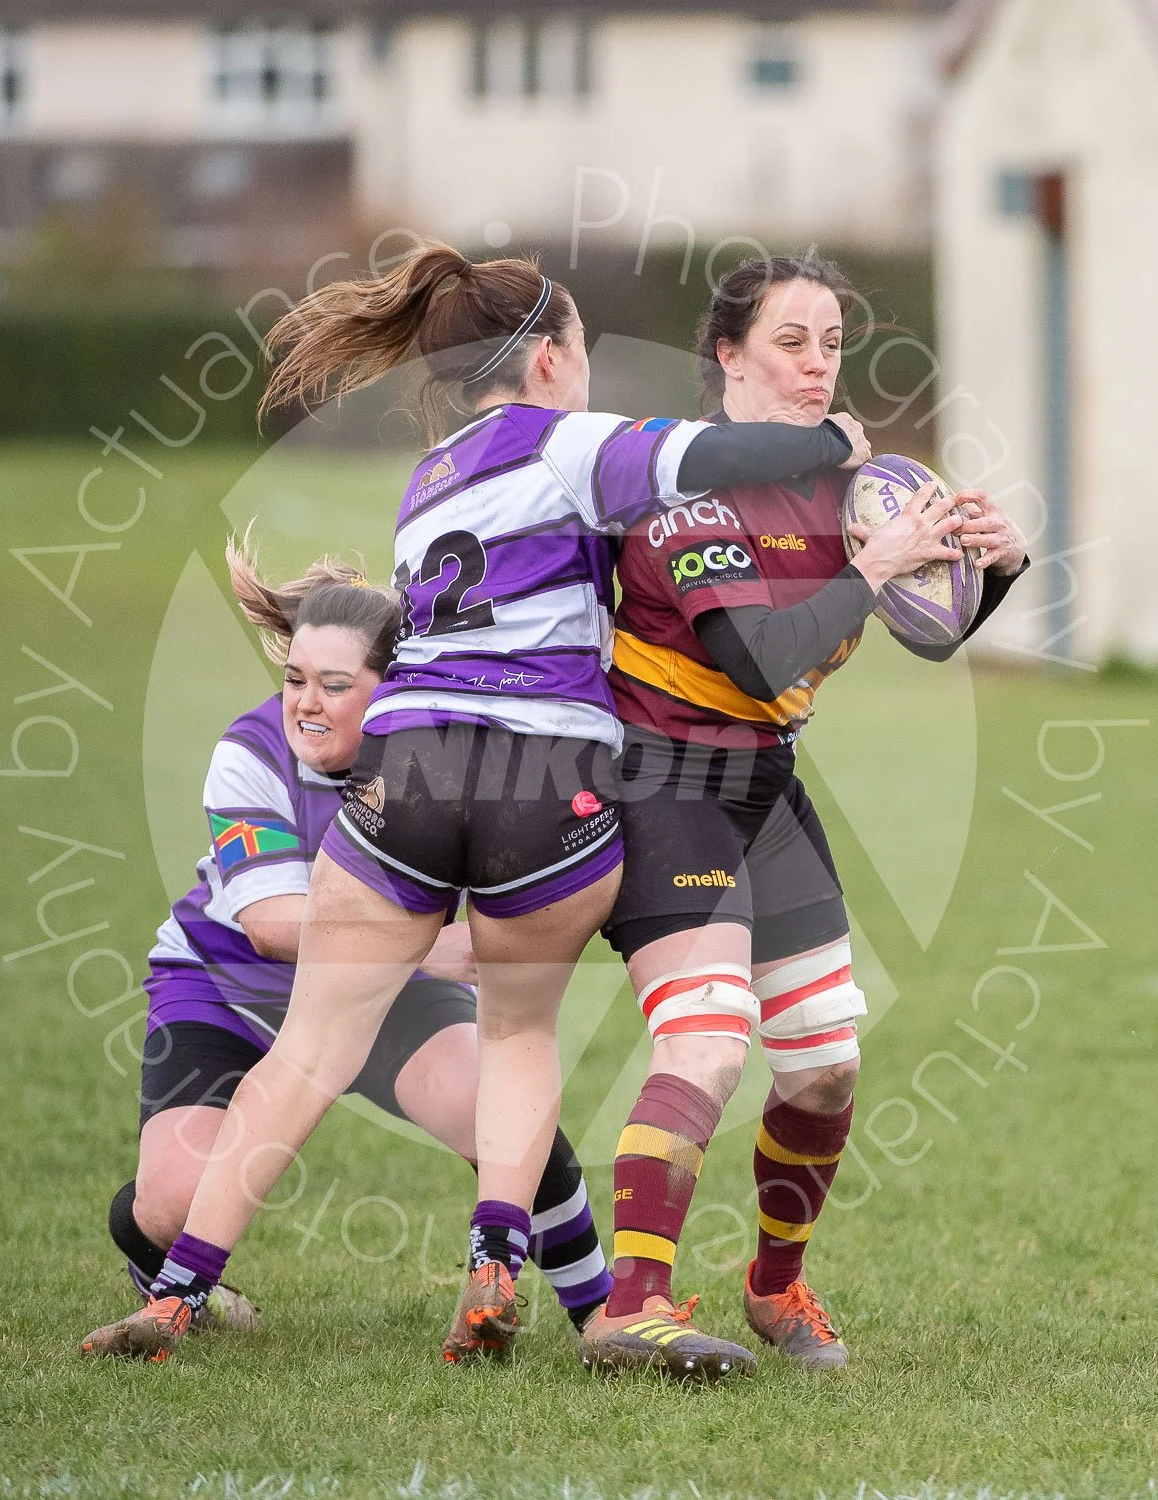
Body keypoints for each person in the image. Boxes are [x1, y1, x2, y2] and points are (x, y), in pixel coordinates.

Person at [80, 241, 871, 1370]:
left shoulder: (430, 480)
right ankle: (496, 1261)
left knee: (306, 1049)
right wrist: (834, 444)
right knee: (517, 1031)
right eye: (583, 350)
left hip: (407, 772)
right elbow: (723, 452)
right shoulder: (569, 442)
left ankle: (174, 1297)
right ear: (548, 358)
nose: (587, 372)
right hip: (540, 780)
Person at [580, 253, 1030, 1377]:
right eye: (790, 342)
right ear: (728, 357)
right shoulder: (682, 489)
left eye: (832, 344)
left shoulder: (849, 493)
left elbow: (932, 634)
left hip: (765, 790)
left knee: (826, 1065)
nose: (817, 366)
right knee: (708, 1040)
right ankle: (632, 1305)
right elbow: (758, 655)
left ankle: (774, 1287)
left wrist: (992, 568)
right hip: (665, 783)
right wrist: (877, 567)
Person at [98, 535, 612, 1351]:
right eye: (295, 679)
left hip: (392, 992)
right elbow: (269, 926)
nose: (305, 703)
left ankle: (601, 1315)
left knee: (491, 1111)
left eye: (335, 686)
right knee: (175, 1201)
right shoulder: (251, 752)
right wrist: (431, 949)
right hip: (230, 989)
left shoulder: (435, 756)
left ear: (395, 685)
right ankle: (157, 1262)